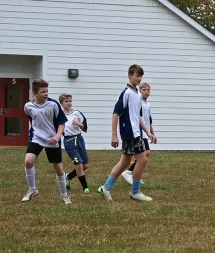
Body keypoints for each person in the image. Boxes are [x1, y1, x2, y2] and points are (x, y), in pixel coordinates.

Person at [97, 64, 155, 202]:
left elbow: (138, 117)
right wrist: (114, 134)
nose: (139, 78)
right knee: (142, 159)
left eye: (141, 76)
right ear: (130, 76)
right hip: (130, 133)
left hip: (137, 133)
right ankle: (135, 192)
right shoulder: (127, 93)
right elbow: (116, 113)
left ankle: (105, 188)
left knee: (125, 162)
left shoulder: (137, 94)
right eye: (137, 75)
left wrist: (147, 132)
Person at [22, 79, 71, 204]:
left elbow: (61, 123)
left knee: (58, 167)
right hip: (36, 138)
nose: (46, 93)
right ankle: (32, 190)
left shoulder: (53, 104)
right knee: (28, 161)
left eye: (47, 91)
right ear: (34, 93)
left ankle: (64, 195)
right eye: (43, 91)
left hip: (52, 139)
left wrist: (57, 137)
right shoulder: (28, 106)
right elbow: (33, 121)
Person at [121, 82, 157, 184]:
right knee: (144, 154)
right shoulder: (139, 102)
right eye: (144, 90)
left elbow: (149, 120)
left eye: (148, 90)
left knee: (145, 154)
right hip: (140, 132)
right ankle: (129, 172)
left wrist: (152, 133)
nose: (146, 91)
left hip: (146, 132)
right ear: (140, 91)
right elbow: (138, 118)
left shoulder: (147, 104)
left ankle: (134, 174)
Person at [59, 93, 90, 193]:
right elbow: (57, 130)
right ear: (61, 103)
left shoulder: (77, 113)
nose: (69, 103)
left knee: (85, 165)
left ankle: (68, 176)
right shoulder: (60, 116)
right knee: (79, 165)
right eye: (66, 101)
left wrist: (79, 124)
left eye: (70, 101)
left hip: (79, 139)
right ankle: (85, 188)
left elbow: (85, 128)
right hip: (69, 142)